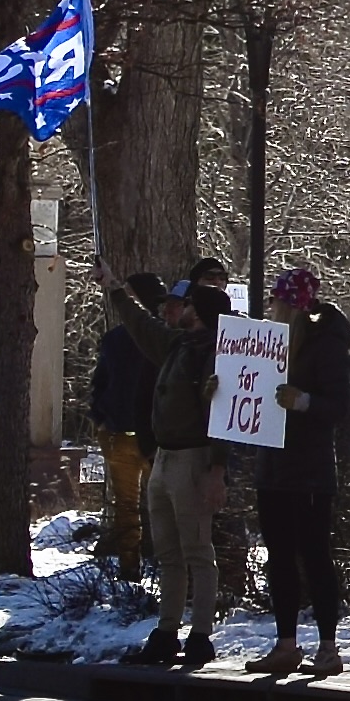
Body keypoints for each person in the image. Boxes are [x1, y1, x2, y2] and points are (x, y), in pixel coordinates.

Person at [108, 272, 228, 668]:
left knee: (197, 550)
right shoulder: (179, 345)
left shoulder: (215, 356)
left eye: (189, 303)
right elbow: (143, 326)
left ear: (202, 312)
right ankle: (167, 629)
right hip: (164, 457)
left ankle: (201, 634)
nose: (182, 308)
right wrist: (115, 290)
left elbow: (222, 416)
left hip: (194, 458)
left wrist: (217, 468)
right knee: (168, 552)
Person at [246, 266, 350, 678]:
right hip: (273, 465)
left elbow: (342, 406)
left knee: (315, 556)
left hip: (309, 469)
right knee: (279, 558)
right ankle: (286, 643)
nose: (271, 307)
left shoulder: (324, 345)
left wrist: (305, 401)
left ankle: (328, 646)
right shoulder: (268, 345)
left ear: (293, 305)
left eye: (277, 300)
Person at [89, 289, 154, 579]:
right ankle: (165, 567)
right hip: (149, 435)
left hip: (122, 431)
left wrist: (100, 417)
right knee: (164, 506)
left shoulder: (115, 338)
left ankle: (131, 566)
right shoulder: (163, 339)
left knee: (127, 507)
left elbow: (99, 381)